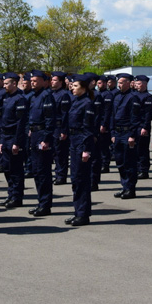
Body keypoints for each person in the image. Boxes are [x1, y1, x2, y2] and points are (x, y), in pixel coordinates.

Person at [64, 74, 96, 226]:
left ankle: (83, 215)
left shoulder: (87, 104)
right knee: (76, 180)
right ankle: (78, 212)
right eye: (72, 86)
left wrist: (86, 149)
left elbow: (88, 129)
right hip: (74, 142)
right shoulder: (75, 102)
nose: (72, 88)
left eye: (75, 86)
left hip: (82, 144)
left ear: (83, 88)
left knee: (81, 180)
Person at [26, 71, 57, 216]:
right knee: (37, 171)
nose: (32, 82)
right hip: (34, 135)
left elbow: (50, 120)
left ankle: (45, 205)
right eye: (31, 80)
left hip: (42, 137)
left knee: (43, 171)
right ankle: (41, 202)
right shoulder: (34, 97)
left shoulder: (46, 96)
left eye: (35, 80)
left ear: (45, 82)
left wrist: (45, 139)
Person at [0, 72, 28, 209]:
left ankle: (17, 197)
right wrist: (1, 141)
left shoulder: (20, 99)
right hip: (5, 137)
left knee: (15, 169)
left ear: (14, 84)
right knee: (6, 168)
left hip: (14, 137)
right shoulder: (6, 98)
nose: (4, 85)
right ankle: (10, 194)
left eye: (6, 83)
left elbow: (20, 123)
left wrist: (17, 142)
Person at [110, 73, 141, 200]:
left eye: (122, 82)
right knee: (120, 162)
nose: (119, 84)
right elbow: (112, 115)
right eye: (119, 82)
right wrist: (112, 132)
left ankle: (130, 189)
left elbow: (135, 118)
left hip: (128, 133)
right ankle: (124, 186)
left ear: (129, 83)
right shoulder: (116, 96)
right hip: (117, 133)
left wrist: (132, 135)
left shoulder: (133, 97)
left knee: (129, 162)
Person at [49, 72, 72, 186]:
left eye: (54, 80)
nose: (52, 82)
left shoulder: (64, 95)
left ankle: (61, 175)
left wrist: (64, 130)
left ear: (61, 82)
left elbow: (65, 114)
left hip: (59, 127)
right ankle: (56, 173)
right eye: (51, 80)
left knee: (60, 153)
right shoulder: (50, 94)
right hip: (51, 127)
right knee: (53, 153)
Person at [134, 75, 152, 180]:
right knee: (135, 149)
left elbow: (148, 114)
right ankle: (137, 168)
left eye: (138, 83)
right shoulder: (134, 95)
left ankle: (144, 170)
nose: (136, 85)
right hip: (135, 125)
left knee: (142, 149)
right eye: (136, 83)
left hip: (142, 126)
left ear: (144, 84)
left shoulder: (148, 97)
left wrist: (145, 127)